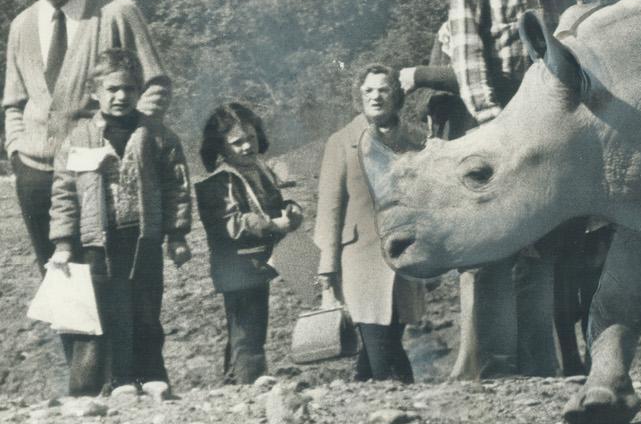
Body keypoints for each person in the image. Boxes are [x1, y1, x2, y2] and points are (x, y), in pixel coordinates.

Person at [442, 0, 584, 379]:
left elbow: (575, 21)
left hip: (551, 98)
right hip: (499, 104)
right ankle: (492, 365)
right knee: (495, 240)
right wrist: (489, 119)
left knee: (548, 234)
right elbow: (465, 46)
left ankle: (542, 365)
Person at [6, 0, 169, 273]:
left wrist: (126, 145)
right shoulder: (21, 25)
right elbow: (14, 102)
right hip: (36, 175)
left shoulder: (117, 12)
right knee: (60, 285)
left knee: (114, 282)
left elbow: (155, 85)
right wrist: (17, 152)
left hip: (100, 172)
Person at [45, 49, 192, 395]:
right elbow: (64, 192)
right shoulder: (79, 139)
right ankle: (122, 378)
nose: (121, 96)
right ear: (95, 92)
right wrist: (64, 243)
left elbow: (177, 187)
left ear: (139, 91)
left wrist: (177, 234)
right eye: (112, 89)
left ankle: (152, 374)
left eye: (128, 88)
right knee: (113, 311)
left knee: (146, 308)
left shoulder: (157, 136)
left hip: (144, 237)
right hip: (99, 241)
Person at [315, 65, 427, 382]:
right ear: (359, 96)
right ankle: (399, 402)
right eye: (368, 91)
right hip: (359, 262)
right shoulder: (341, 142)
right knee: (383, 349)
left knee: (386, 340)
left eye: (384, 90)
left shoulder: (416, 141)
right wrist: (326, 271)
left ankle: (365, 405)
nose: (375, 97)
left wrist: (432, 262)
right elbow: (329, 209)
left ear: (397, 96)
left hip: (404, 261)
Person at [194, 102, 302, 384]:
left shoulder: (259, 169)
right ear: (221, 147)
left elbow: (274, 201)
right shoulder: (219, 181)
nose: (246, 147)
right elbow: (231, 224)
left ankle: (236, 381)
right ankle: (250, 380)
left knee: (249, 327)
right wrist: (270, 225)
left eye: (250, 138)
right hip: (237, 266)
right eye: (236, 142)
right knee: (247, 329)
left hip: (256, 263)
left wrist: (290, 209)